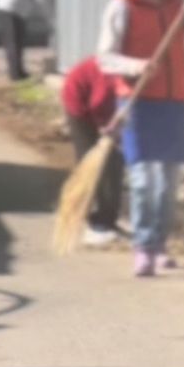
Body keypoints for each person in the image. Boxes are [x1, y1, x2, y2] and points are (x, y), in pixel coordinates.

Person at [96, 0, 184, 277]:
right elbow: (104, 57)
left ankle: (160, 244)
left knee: (167, 183)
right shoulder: (121, 7)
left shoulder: (180, 4)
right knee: (143, 180)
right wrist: (136, 66)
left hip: (175, 104)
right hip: (138, 103)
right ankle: (143, 246)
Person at [61, 55, 124, 246]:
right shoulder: (110, 76)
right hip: (79, 106)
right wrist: (107, 129)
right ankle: (95, 219)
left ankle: (107, 215)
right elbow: (98, 104)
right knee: (93, 160)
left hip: (103, 107)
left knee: (115, 162)